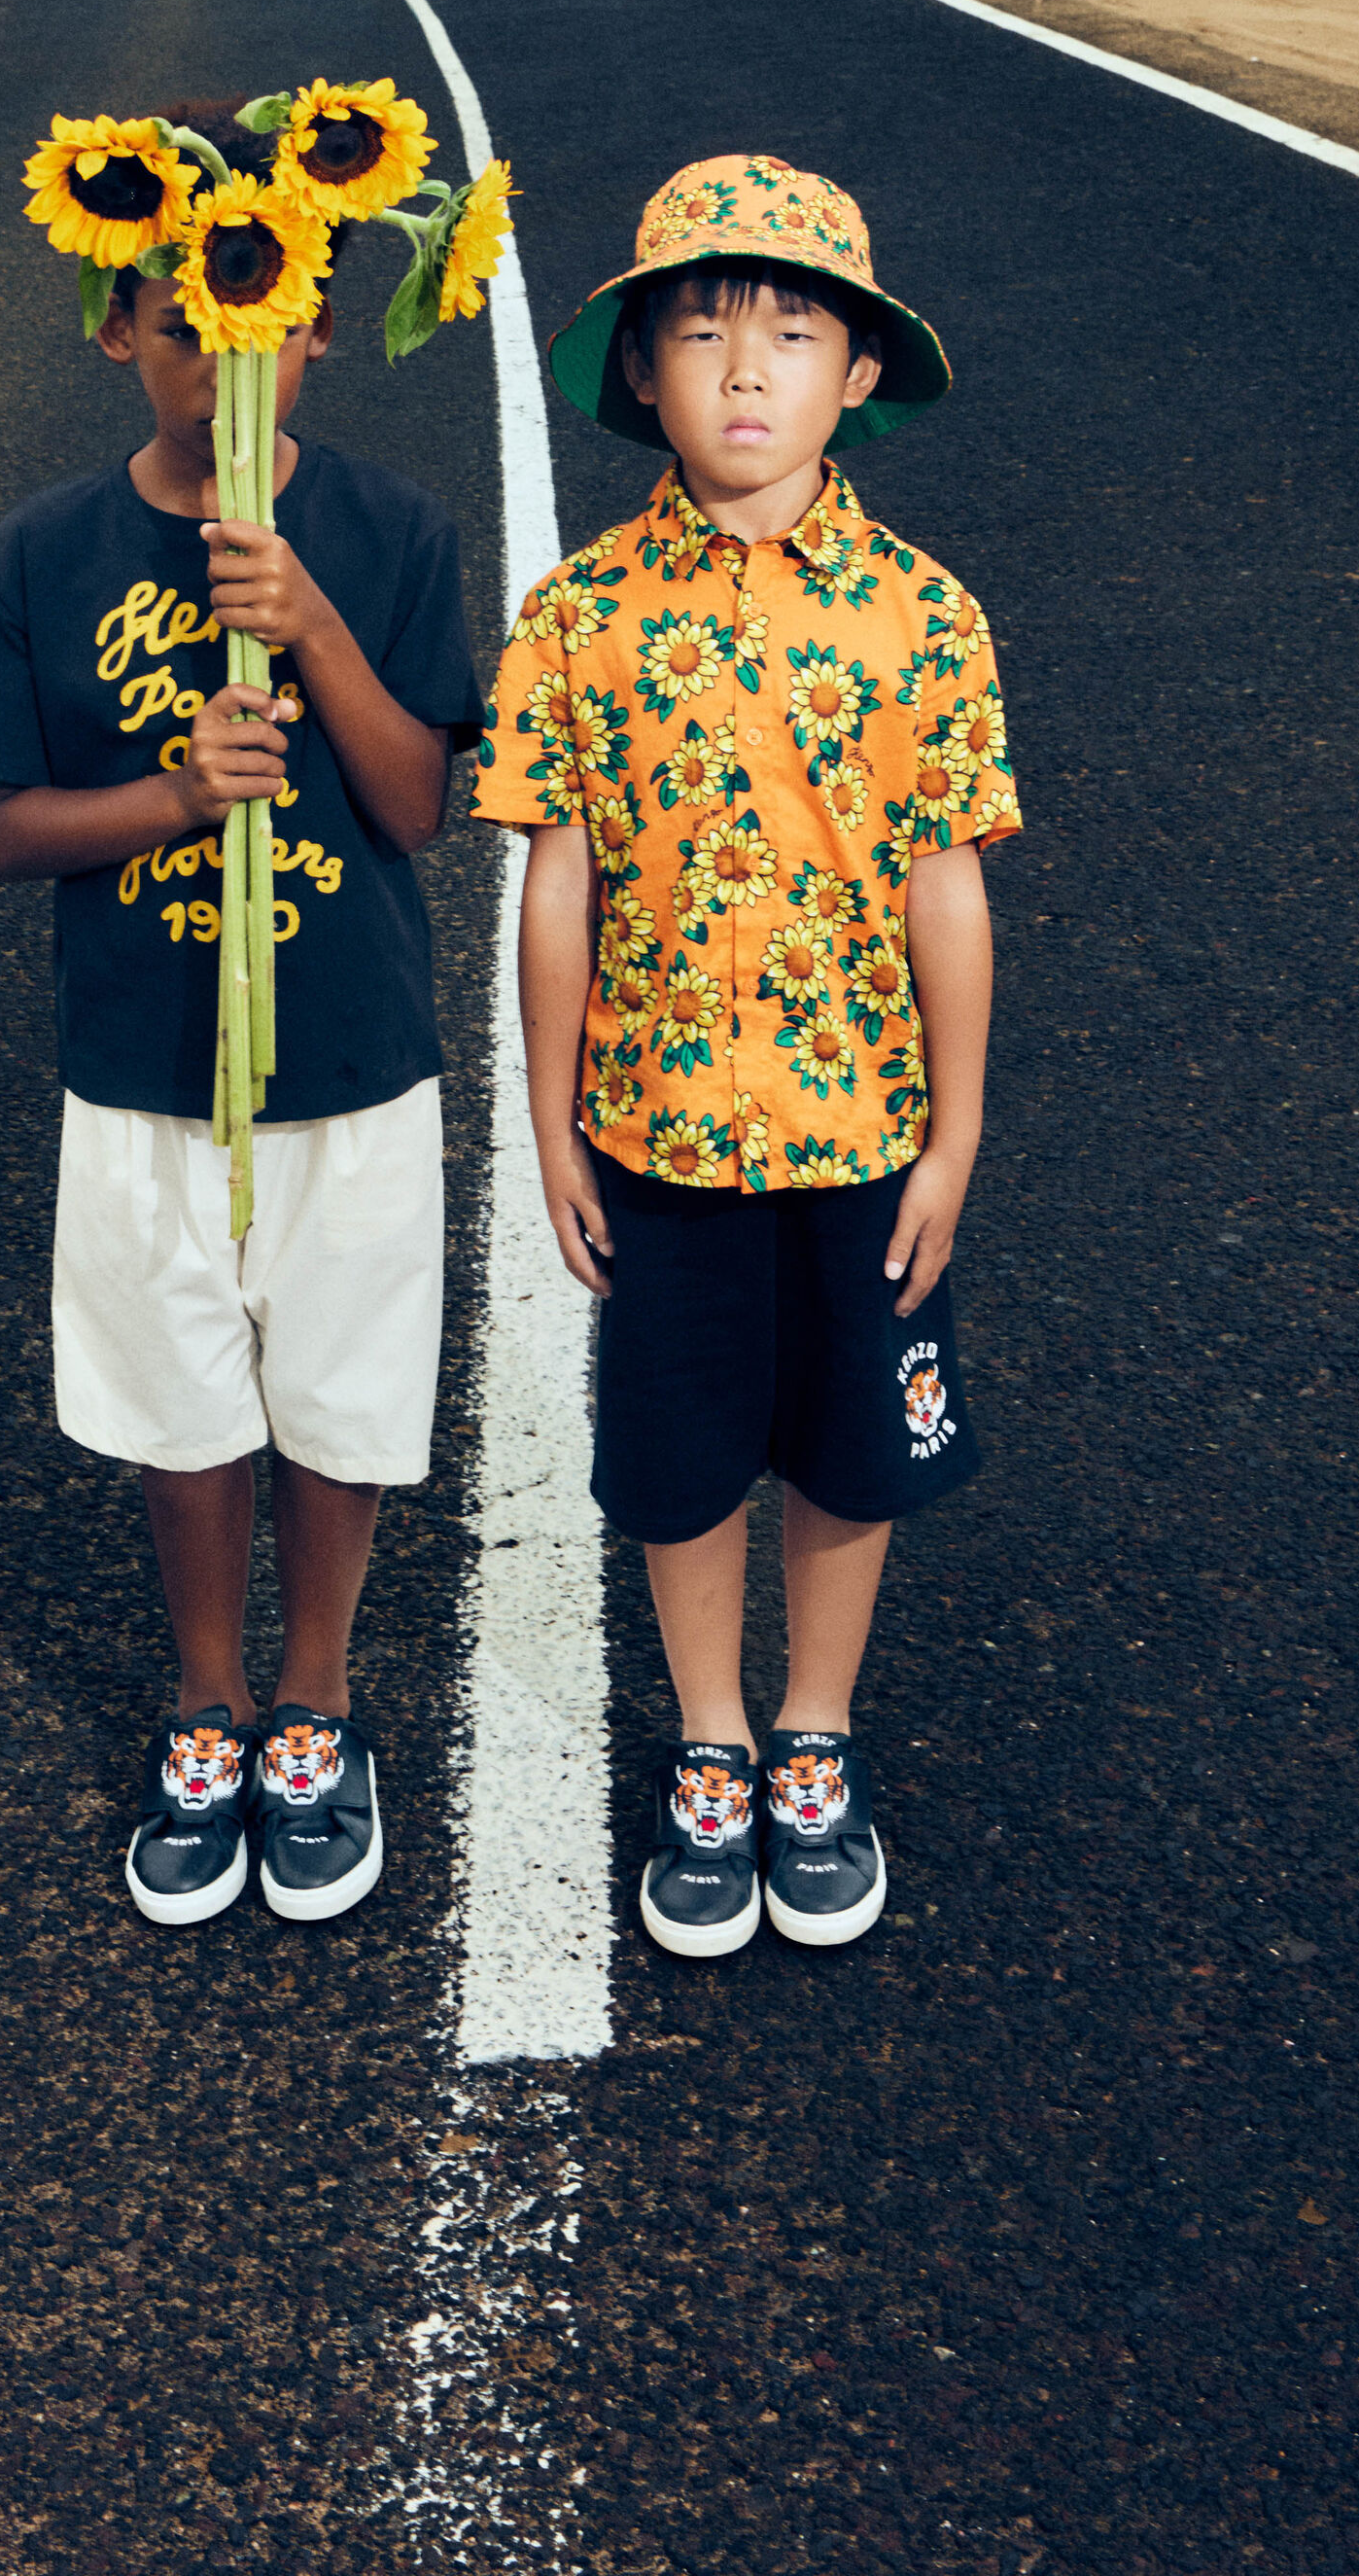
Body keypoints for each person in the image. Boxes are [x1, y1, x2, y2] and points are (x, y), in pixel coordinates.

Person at [0, 107, 481, 1930]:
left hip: (352, 1055)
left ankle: (316, 1702)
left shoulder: (389, 533)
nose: (226, 364)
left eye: (265, 328)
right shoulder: (41, 552)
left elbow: (417, 806)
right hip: (143, 1063)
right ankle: (208, 1701)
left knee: (341, 1393)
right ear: (116, 330)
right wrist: (172, 797)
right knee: (181, 1396)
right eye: (181, 327)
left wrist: (310, 626)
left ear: (318, 328)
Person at [473, 155, 1021, 1958]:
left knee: (856, 1449)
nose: (744, 367)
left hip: (865, 1127)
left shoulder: (928, 613)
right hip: (660, 1131)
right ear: (641, 371)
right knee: (682, 1450)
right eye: (700, 330)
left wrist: (954, 1138)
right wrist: (550, 1117)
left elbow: (947, 884)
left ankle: (815, 1735)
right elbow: (558, 881)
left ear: (856, 372)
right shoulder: (577, 615)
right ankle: (711, 1741)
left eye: (792, 331)